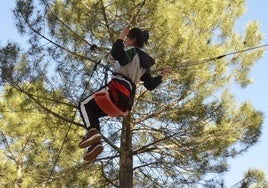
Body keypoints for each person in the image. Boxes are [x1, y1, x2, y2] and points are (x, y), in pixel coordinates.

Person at [78, 25, 171, 162]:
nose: (125, 41)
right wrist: (161, 76)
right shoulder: (145, 64)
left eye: (127, 39)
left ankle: (92, 132)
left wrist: (120, 36)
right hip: (125, 101)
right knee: (93, 112)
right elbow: (150, 85)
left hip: (116, 88)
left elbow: (118, 55)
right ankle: (95, 143)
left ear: (132, 40)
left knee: (84, 105)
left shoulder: (132, 52)